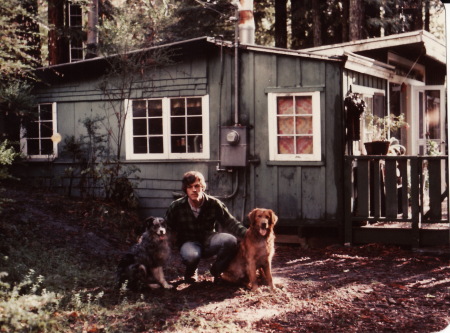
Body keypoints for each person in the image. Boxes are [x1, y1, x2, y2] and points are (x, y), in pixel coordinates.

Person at [165, 171, 247, 283]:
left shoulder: (214, 203)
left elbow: (230, 222)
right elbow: (167, 227)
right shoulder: (177, 206)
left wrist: (247, 233)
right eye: (190, 187)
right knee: (192, 255)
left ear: (203, 187)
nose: (194, 190)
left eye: (197, 186)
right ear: (186, 189)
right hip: (189, 242)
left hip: (209, 240)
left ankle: (217, 270)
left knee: (230, 240)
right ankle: (191, 271)